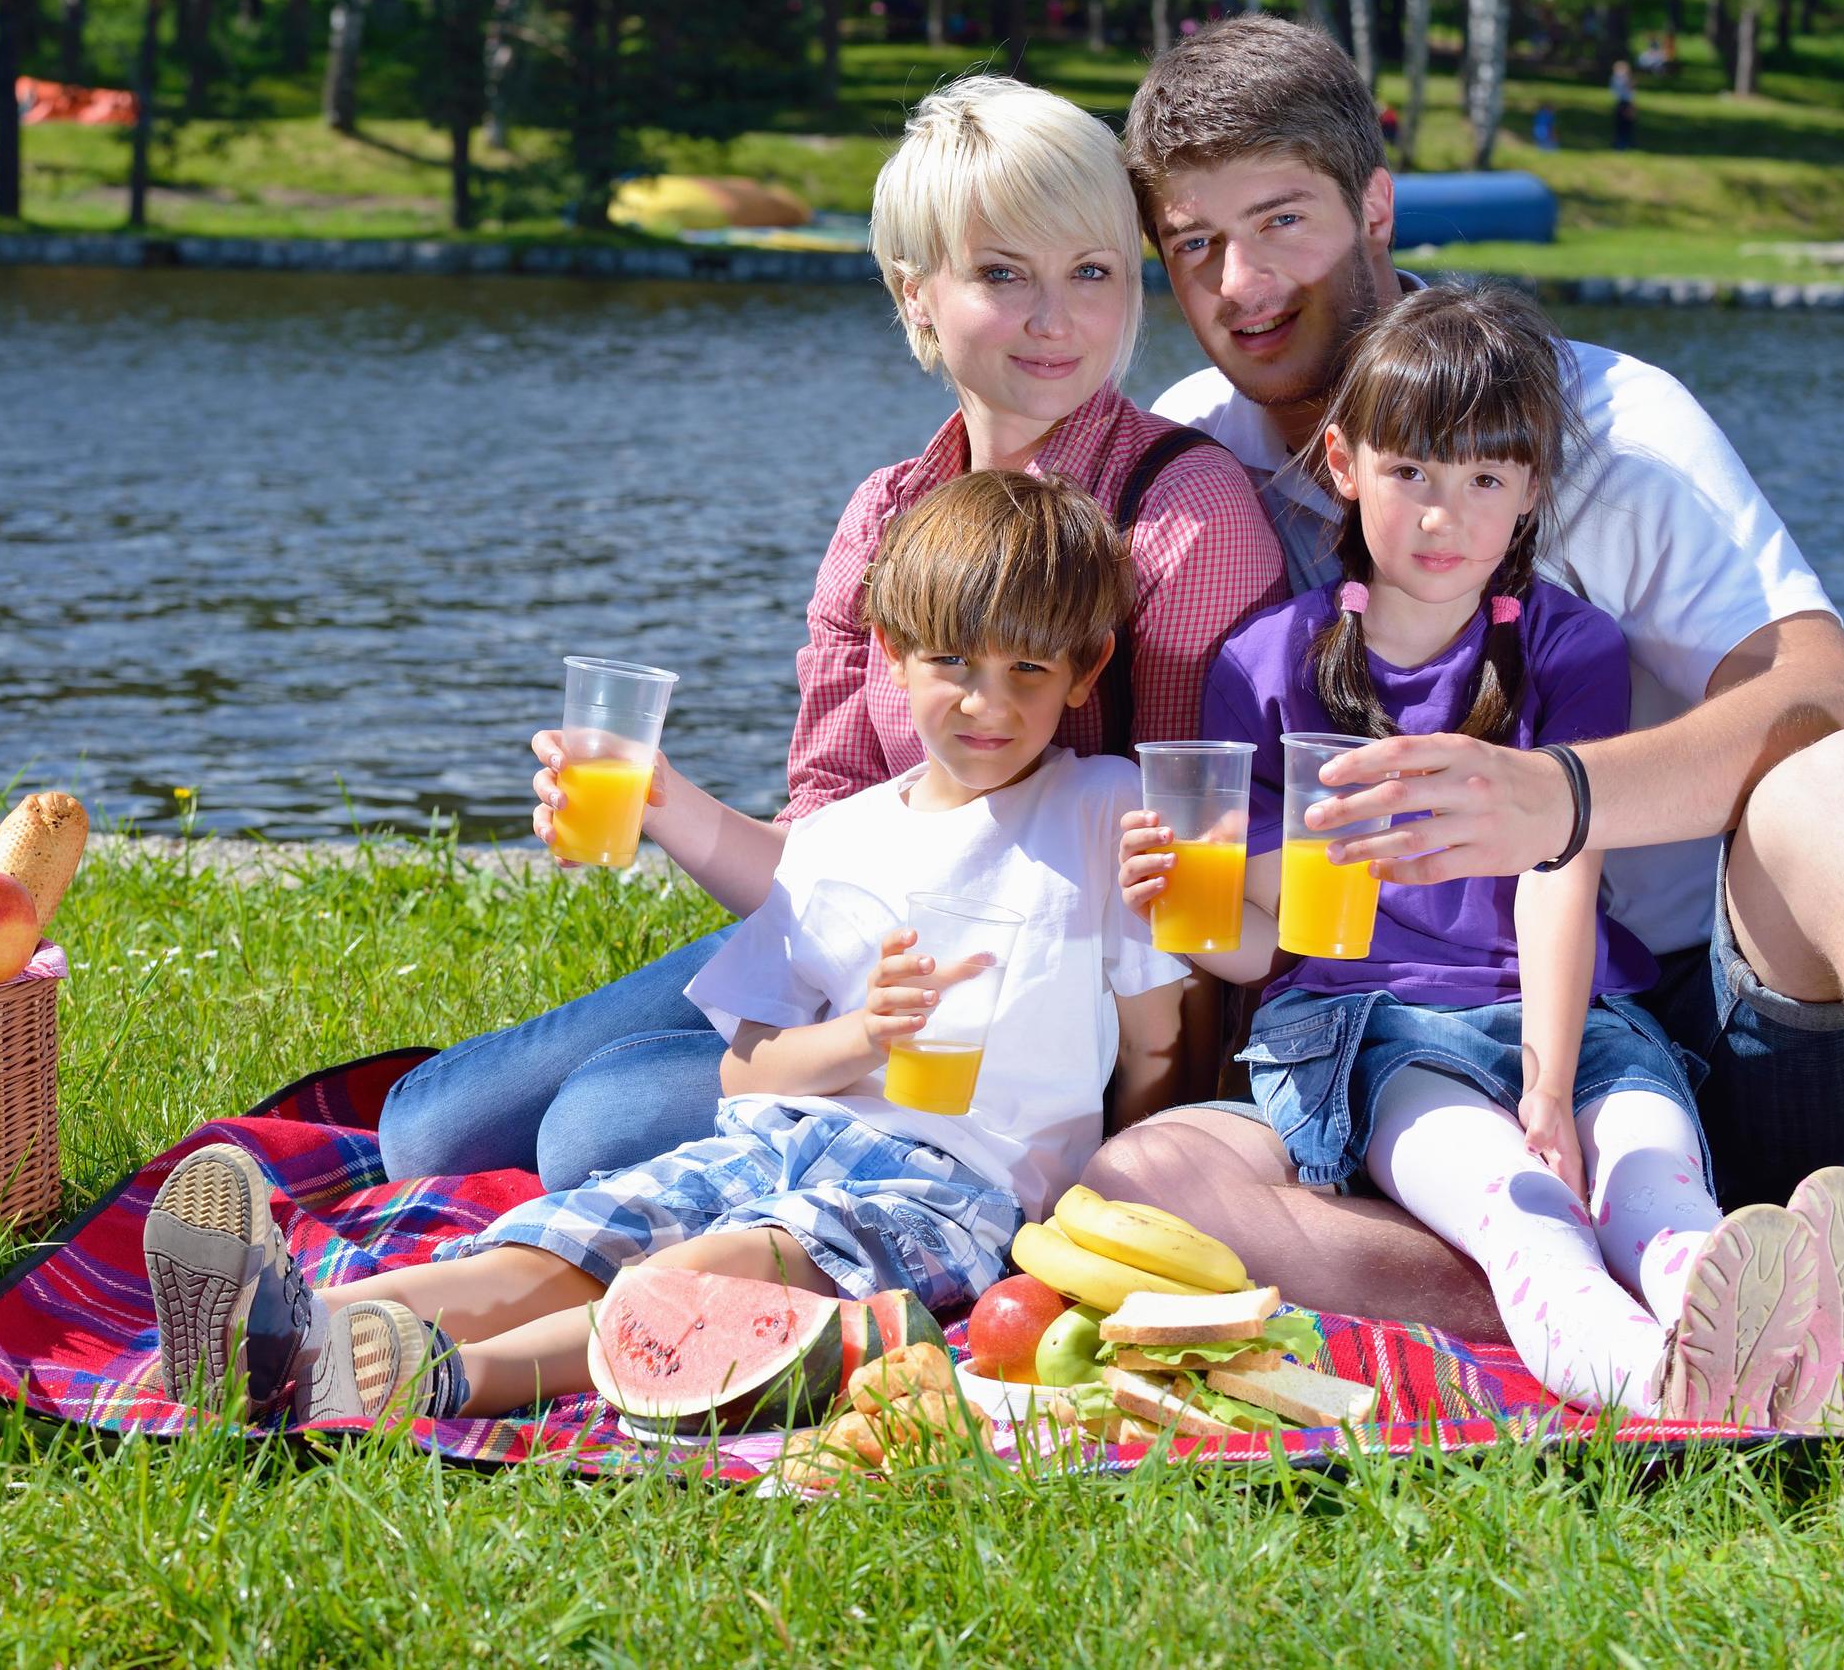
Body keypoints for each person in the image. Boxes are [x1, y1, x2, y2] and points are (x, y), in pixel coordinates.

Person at [1094, 13, 1844, 1495]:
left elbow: (1830, 691)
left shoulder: (1610, 423)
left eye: (1281, 224)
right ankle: (1769, 1318)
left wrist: (1555, 799)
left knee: (1840, 779)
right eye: (1193, 244)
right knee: (1148, 1185)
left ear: (1375, 208)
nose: (1241, 287)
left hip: (1688, 1029)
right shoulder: (1196, 460)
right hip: (1393, 1063)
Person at [371, 74, 1280, 1192]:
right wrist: (664, 804)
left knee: (593, 1131)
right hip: (857, 957)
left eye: (1091, 271)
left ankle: (662, 1096)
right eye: (1004, 273)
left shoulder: (1181, 514)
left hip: (1028, 1026)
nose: (1058, 318)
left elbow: (1197, 873)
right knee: (424, 1135)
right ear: (916, 295)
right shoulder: (890, 513)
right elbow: (823, 851)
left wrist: (1146, 1129)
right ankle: (677, 1078)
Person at [144, 473, 1192, 1422]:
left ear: (1084, 671)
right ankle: (277, 1324)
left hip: (948, 1188)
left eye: (1027, 668)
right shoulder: (837, 841)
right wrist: (861, 1038)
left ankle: (418, 1373)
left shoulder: (1103, 810)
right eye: (952, 662)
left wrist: (1092, 1208)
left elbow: (1152, 1048)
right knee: (574, 1237)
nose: (986, 701)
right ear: (892, 652)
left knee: (708, 1272)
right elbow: (749, 1063)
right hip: (780, 1131)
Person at [1140, 280, 1844, 1423]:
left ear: (1531, 492)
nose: (1443, 517)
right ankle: (1661, 1379)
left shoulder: (1565, 646)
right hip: (1373, 1027)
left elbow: (1563, 869)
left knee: (1650, 1175)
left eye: (1484, 480)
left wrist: (1550, 1080)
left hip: (1577, 1012)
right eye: (1412, 474)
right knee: (1523, 1209)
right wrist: (1180, 894)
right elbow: (1265, 951)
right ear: (1345, 465)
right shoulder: (1268, 661)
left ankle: (1758, 1314)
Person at [1608, 59, 1637, 150]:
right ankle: (1620, 144)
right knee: (1621, 125)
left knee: (1627, 125)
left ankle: (1625, 142)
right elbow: (1621, 92)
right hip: (1623, 103)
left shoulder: (1624, 79)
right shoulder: (1619, 79)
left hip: (1626, 103)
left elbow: (1631, 93)